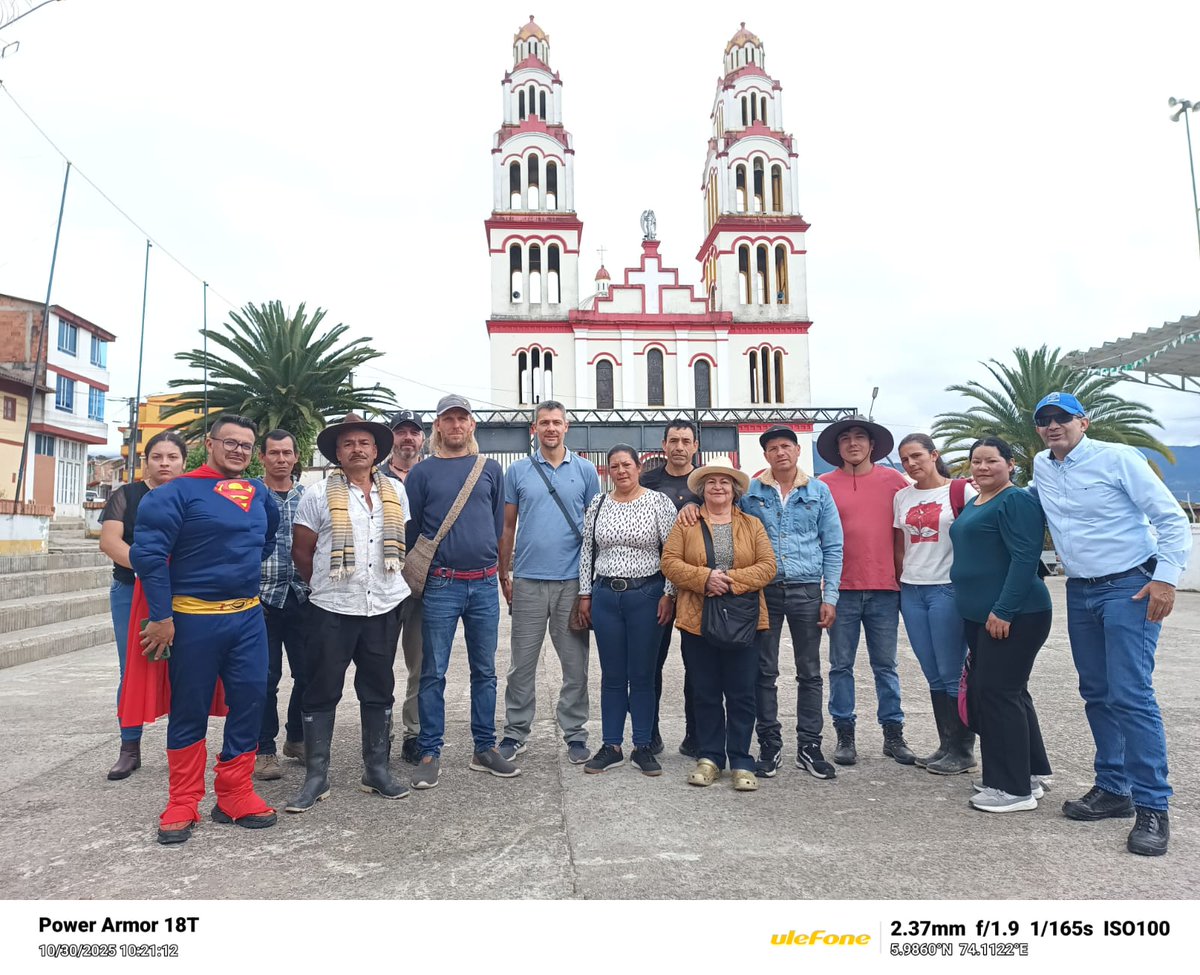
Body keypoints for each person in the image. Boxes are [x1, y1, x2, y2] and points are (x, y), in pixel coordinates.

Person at [1031, 391, 1192, 855]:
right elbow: (1031, 504)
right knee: (1097, 692)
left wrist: (1165, 579)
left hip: (1130, 587)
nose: (1053, 425)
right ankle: (1114, 789)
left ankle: (1153, 808)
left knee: (1130, 694)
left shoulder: (1117, 458)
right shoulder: (1043, 465)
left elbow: (1171, 519)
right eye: (1044, 420)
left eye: (1062, 417)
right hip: (1081, 590)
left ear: (1084, 422)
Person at [130, 414, 280, 845]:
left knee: (251, 700)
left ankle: (235, 793)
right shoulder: (174, 492)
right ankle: (183, 799)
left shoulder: (258, 493)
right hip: (193, 620)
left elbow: (263, 541)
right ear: (210, 444)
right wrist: (161, 617)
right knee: (189, 707)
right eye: (229, 442)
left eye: (246, 445)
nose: (238, 450)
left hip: (249, 617)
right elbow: (149, 557)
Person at [287, 414, 412, 811]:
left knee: (379, 689)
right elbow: (302, 551)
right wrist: (326, 583)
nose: (357, 449)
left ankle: (376, 771)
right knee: (321, 690)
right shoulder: (317, 494)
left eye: (364, 443)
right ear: (337, 453)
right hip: (332, 608)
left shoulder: (395, 491)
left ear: (376, 451)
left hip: (383, 605)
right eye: (348, 444)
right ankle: (316, 777)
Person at [405, 394, 516, 789]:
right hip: (443, 584)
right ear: (438, 426)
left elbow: (496, 526)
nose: (455, 426)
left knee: (485, 671)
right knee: (433, 672)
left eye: (462, 419)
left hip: (484, 583)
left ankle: (484, 748)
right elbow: (415, 528)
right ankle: (430, 750)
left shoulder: (488, 469)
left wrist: (501, 572)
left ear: (472, 426)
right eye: (448, 419)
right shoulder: (422, 474)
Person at [950, 436, 1053, 813]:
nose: (982, 467)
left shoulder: (1016, 499)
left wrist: (1005, 610)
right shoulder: (978, 501)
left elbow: (1025, 558)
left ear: (1010, 465)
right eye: (976, 461)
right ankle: (1029, 773)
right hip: (980, 616)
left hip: (1015, 615)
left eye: (991, 461)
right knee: (1009, 692)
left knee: (997, 694)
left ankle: (1011, 790)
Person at [661, 459, 775, 792]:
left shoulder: (752, 524)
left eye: (725, 483)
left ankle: (741, 759)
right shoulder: (687, 524)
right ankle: (710, 757)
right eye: (711, 483)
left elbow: (767, 566)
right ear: (702, 489)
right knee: (706, 691)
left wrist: (728, 580)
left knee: (742, 693)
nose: (718, 488)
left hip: (745, 618)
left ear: (735, 489)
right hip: (698, 618)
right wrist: (703, 578)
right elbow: (669, 562)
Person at [498, 400, 600, 765]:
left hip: (571, 582)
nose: (551, 429)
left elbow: (593, 531)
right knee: (521, 665)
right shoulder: (519, 472)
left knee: (575, 665)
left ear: (566, 427)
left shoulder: (587, 471)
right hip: (526, 580)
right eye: (544, 423)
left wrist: (589, 584)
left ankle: (575, 733)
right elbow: (508, 526)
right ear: (534, 429)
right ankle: (515, 731)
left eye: (557, 422)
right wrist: (503, 571)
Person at [742, 425, 844, 780]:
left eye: (786, 445)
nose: (780, 452)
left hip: (806, 591)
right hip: (764, 591)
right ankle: (769, 743)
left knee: (810, 671)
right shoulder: (751, 492)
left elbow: (833, 546)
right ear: (766, 455)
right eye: (773, 448)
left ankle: (809, 745)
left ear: (798, 451)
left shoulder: (819, 492)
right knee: (764, 670)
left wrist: (829, 595)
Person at [817, 415, 916, 766]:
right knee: (840, 665)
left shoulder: (895, 482)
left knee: (885, 665)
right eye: (845, 438)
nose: (853, 443)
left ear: (872, 445)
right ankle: (845, 734)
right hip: (840, 589)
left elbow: (908, 531)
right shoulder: (823, 485)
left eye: (860, 437)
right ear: (837, 447)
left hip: (885, 588)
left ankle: (893, 734)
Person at [575, 445, 678, 776]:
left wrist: (669, 593)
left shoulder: (657, 502)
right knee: (613, 675)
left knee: (643, 675)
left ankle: (644, 746)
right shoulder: (599, 503)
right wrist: (585, 594)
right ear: (609, 471)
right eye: (615, 466)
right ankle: (612, 745)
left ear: (637, 468)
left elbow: (672, 551)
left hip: (646, 595)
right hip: (606, 596)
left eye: (627, 465)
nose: (621, 471)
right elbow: (587, 551)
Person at [99, 430, 187, 780]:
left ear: (183, 461)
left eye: (172, 457)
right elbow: (110, 541)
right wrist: (151, 568)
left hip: (183, 595)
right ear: (145, 461)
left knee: (184, 669)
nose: (164, 463)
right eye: (157, 457)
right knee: (132, 667)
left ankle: (180, 748)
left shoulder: (190, 495)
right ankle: (129, 747)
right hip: (131, 591)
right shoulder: (127, 495)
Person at [893, 433, 977, 775]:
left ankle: (963, 749)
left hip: (947, 587)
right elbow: (901, 544)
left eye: (917, 456)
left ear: (934, 454)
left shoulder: (961, 491)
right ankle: (945, 744)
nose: (912, 464)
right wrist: (900, 579)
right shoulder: (902, 496)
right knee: (931, 671)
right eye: (905, 459)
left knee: (952, 670)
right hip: (912, 589)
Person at [640, 418, 702, 757]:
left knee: (698, 666)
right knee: (651, 663)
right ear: (664, 445)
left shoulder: (707, 482)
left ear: (695, 446)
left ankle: (696, 734)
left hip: (697, 585)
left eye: (686, 441)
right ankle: (648, 733)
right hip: (654, 586)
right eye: (673, 440)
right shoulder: (647, 482)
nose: (679, 447)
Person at [254, 429, 309, 781]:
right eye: (274, 453)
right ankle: (264, 750)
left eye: (287, 453)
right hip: (261, 599)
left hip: (303, 596)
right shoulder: (250, 495)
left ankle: (298, 737)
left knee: (308, 673)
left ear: (296, 456)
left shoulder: (310, 495)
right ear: (262, 457)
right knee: (264, 678)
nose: (281, 459)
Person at [382, 409, 426, 765]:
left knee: (420, 662)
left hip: (419, 584)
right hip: (379, 582)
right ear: (391, 438)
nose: (408, 438)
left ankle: (414, 732)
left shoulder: (429, 475)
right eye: (402, 432)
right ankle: (380, 730)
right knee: (378, 662)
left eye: (414, 432)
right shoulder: (372, 475)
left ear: (423, 439)